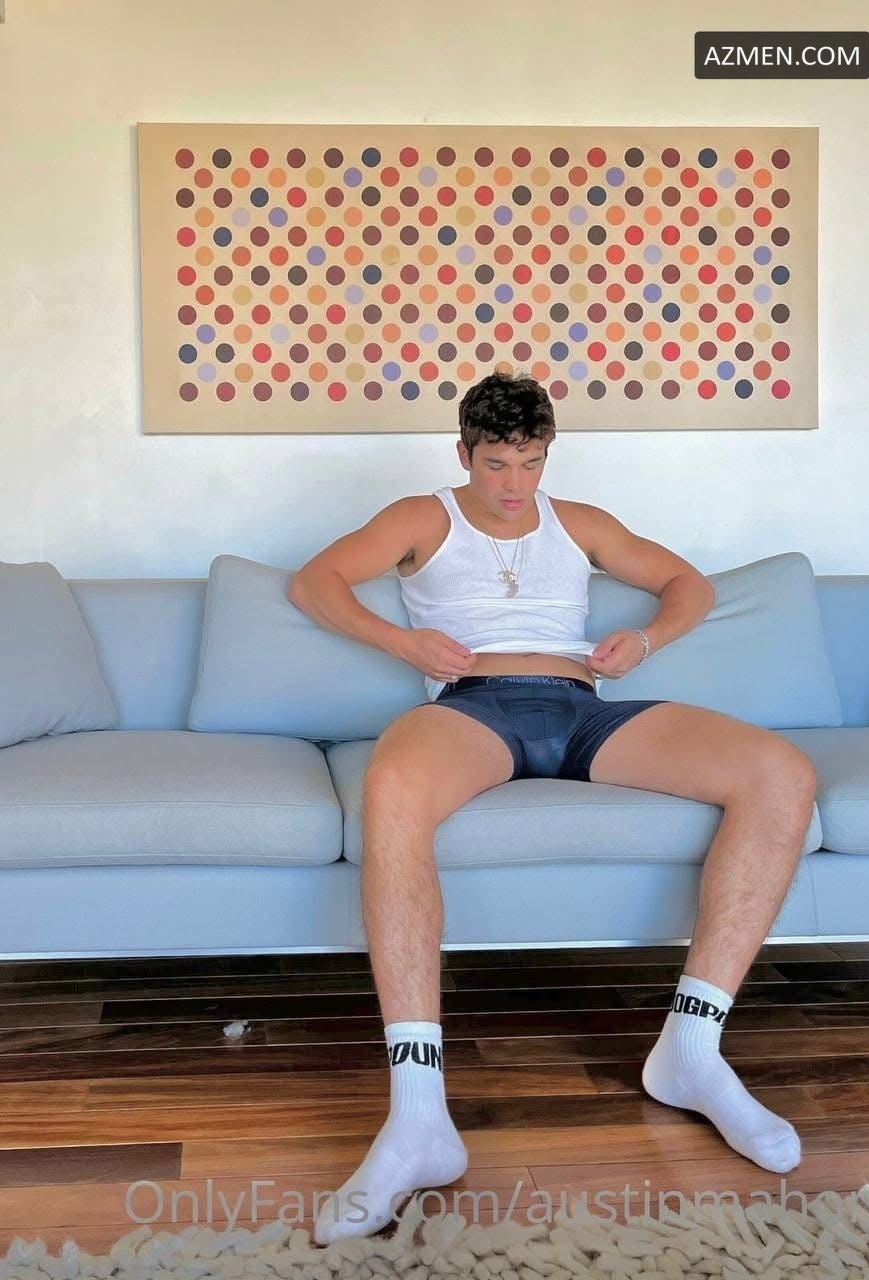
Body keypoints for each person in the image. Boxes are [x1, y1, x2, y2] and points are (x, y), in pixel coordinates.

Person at [287, 370, 817, 1244]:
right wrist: (403, 642)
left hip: (582, 706)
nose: (513, 485)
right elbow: (315, 583)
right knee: (390, 788)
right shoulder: (423, 516)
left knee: (781, 771)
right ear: (463, 453)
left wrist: (644, 638)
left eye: (530, 463)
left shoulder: (580, 522)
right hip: (472, 708)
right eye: (496, 464)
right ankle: (417, 1117)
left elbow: (688, 584)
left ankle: (690, 1052)